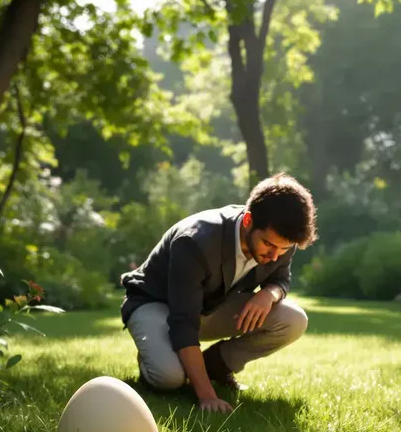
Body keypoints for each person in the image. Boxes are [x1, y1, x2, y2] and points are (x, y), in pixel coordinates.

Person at [119, 172, 317, 412]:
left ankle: (216, 365)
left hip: (209, 306)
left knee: (293, 320)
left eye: (284, 249)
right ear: (248, 221)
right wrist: (207, 396)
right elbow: (183, 323)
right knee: (169, 378)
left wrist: (269, 294)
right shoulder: (195, 241)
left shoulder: (280, 240)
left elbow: (281, 279)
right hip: (155, 303)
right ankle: (155, 359)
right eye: (269, 245)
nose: (275, 256)